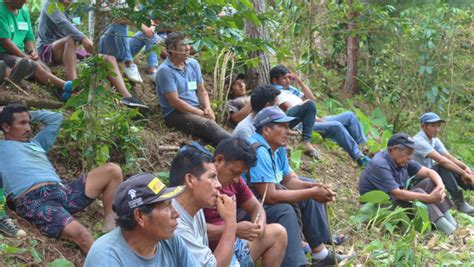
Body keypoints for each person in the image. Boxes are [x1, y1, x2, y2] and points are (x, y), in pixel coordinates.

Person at [0, 103, 123, 253]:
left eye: (29, 122)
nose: (29, 128)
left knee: (113, 170)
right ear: (6, 127)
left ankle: (110, 227)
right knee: (82, 234)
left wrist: (25, 113)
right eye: (22, 123)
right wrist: (4, 113)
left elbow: (56, 118)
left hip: (63, 191)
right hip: (36, 200)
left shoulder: (37, 143)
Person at [246, 106, 354, 266]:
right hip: (249, 205)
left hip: (264, 197)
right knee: (285, 210)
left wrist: (314, 186)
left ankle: (320, 253)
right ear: (266, 130)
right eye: (282, 126)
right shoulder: (259, 150)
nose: (288, 131)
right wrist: (310, 192)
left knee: (308, 191)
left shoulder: (277, 147)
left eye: (288, 126)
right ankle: (295, 263)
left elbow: (288, 180)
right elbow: (269, 196)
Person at [36, 0, 146, 106]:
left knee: (109, 59)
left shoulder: (74, 5)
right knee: (70, 39)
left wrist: (84, 40)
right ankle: (73, 86)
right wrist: (83, 38)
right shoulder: (50, 3)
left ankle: (127, 98)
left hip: (70, 48)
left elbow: (75, 26)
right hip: (48, 48)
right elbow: (62, 23)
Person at [204, 138, 287, 266]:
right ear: (219, 160)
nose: (237, 179)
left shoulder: (236, 181)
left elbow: (256, 207)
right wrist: (233, 229)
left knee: (278, 233)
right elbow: (192, 230)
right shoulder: (201, 186)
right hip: (209, 255)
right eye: (235, 173)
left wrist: (259, 224)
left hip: (234, 246)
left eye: (241, 174)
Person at [85, 173, 197, 266]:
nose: (176, 214)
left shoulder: (171, 241)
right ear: (139, 216)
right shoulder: (107, 256)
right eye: (167, 207)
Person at [359, 133, 459, 235]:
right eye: (408, 153)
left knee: (429, 182)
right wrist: (429, 197)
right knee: (419, 194)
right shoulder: (380, 164)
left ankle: (453, 224)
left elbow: (429, 172)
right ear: (394, 149)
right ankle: (450, 231)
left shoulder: (401, 160)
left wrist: (440, 186)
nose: (411, 157)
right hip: (380, 209)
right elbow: (397, 194)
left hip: (395, 202)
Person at [270, 65, 370, 166]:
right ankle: (359, 157)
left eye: (288, 77)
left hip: (315, 118)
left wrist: (299, 82)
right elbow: (295, 112)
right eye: (284, 78)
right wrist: (318, 120)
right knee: (336, 126)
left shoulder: (291, 90)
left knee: (349, 116)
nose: (288, 81)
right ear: (275, 80)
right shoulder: (278, 93)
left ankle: (363, 146)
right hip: (303, 124)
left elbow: (311, 99)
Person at [156, 32, 231, 147]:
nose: (188, 48)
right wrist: (200, 113)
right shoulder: (165, 71)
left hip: (195, 109)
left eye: (189, 44)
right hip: (175, 114)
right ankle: (238, 146)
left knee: (211, 129)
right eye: (183, 45)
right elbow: (175, 102)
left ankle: (230, 151)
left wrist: (207, 108)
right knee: (209, 126)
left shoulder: (193, 64)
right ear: (172, 48)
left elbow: (202, 91)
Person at [169, 148, 242, 266]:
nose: (219, 185)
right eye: (212, 177)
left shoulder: (195, 208)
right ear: (190, 180)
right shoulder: (175, 224)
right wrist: (230, 221)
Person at [0, 0, 74, 99]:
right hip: (4, 53)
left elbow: (29, 38)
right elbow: (6, 42)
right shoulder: (1, 10)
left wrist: (32, 51)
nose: (25, 2)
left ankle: (62, 92)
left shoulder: (23, 11)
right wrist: (25, 56)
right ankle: (69, 87)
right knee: (35, 66)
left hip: (21, 52)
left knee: (44, 67)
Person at [413, 112, 474, 214]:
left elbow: (448, 157)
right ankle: (460, 203)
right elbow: (441, 160)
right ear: (424, 126)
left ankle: (470, 186)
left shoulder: (434, 139)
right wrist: (463, 174)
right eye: (433, 126)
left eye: (438, 126)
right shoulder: (419, 141)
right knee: (443, 167)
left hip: (429, 172)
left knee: (452, 167)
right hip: (417, 178)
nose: (437, 129)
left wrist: (465, 168)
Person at [98, 0, 143, 83]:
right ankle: (128, 62)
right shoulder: (97, 2)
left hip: (119, 47)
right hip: (102, 46)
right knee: (119, 23)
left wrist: (147, 27)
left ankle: (152, 69)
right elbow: (116, 16)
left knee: (147, 33)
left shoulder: (123, 2)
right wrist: (142, 26)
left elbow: (137, 18)